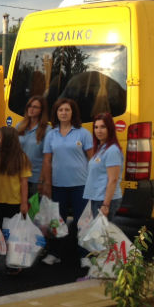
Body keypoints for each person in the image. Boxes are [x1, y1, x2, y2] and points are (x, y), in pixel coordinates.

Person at [41, 98, 94, 265]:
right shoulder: (51, 135)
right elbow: (47, 161)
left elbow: (92, 159)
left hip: (81, 185)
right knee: (57, 221)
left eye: (67, 110)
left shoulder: (83, 133)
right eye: (60, 110)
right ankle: (55, 253)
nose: (63, 113)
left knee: (83, 222)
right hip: (58, 185)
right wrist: (47, 184)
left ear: (73, 113)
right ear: (56, 113)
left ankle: (85, 255)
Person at [0, 127, 32, 275]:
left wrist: (24, 203)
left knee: (13, 234)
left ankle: (14, 261)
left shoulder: (21, 158)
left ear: (7, 140)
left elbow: (24, 182)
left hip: (14, 202)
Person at [83, 112, 123, 220]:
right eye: (96, 127)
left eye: (103, 127)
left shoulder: (112, 150)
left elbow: (113, 179)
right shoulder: (101, 148)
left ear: (110, 128)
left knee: (102, 234)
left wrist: (106, 205)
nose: (98, 131)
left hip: (105, 200)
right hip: (97, 198)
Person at [16, 95, 51, 195]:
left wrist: (42, 180)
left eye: (35, 107)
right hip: (19, 176)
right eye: (29, 106)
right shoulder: (20, 126)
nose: (31, 109)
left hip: (35, 178)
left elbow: (47, 158)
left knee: (33, 210)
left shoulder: (47, 130)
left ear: (42, 110)